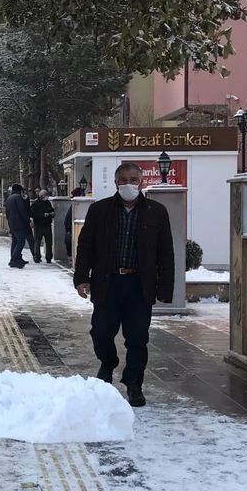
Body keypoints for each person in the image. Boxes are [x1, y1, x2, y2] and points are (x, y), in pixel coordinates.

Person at [73, 162, 175, 408]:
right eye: (124, 180)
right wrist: (81, 277)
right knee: (101, 333)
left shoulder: (156, 212)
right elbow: (85, 247)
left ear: (141, 182)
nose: (129, 184)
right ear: (116, 182)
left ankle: (134, 384)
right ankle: (108, 362)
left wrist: (165, 287)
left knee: (138, 339)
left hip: (139, 286)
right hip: (108, 284)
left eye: (134, 180)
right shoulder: (100, 210)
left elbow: (165, 252)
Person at [3, 184, 32, 268]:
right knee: (21, 241)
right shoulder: (18, 197)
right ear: (20, 191)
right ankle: (14, 260)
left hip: (12, 223)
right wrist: (28, 220)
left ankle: (18, 258)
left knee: (15, 241)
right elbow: (22, 210)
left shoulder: (9, 198)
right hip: (19, 223)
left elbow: (7, 212)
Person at [30, 189, 56, 264]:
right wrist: (43, 215)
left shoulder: (47, 203)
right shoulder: (35, 204)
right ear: (41, 196)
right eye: (45, 195)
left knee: (49, 242)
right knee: (37, 241)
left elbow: (51, 210)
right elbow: (33, 214)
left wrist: (52, 214)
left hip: (47, 224)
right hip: (38, 225)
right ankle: (37, 257)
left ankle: (49, 257)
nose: (46, 197)